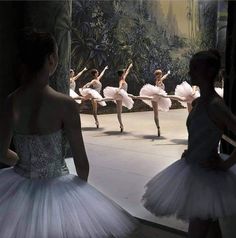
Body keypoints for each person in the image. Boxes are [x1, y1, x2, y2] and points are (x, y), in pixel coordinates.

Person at [0, 29, 136, 238]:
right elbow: (81, 162)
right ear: (52, 60)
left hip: (18, 184)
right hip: (57, 187)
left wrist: (27, 164)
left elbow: (2, 153)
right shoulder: (65, 105)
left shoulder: (12, 101)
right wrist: (80, 199)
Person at [142, 49, 236, 238]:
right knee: (210, 230)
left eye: (195, 68)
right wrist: (192, 150)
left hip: (206, 176)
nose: (190, 72)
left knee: (198, 231)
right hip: (194, 168)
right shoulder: (200, 102)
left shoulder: (215, 105)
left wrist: (226, 164)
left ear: (208, 72)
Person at [131, 69, 171, 136]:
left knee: (156, 114)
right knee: (156, 114)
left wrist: (167, 74)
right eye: (159, 75)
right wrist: (167, 74)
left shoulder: (158, 80)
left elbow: (164, 77)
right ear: (158, 75)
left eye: (160, 75)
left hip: (157, 98)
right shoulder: (159, 81)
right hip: (158, 97)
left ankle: (158, 127)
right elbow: (162, 78)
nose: (160, 76)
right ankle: (158, 127)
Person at [103, 63, 134, 132]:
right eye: (124, 73)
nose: (125, 73)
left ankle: (121, 124)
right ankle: (121, 125)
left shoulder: (123, 78)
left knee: (120, 110)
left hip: (124, 95)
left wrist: (129, 66)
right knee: (119, 111)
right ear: (122, 74)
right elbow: (120, 86)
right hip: (120, 95)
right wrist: (118, 90)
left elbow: (127, 72)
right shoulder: (121, 81)